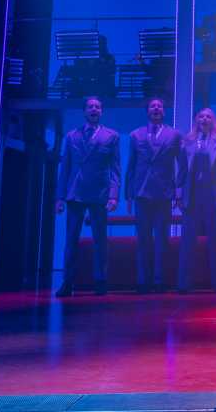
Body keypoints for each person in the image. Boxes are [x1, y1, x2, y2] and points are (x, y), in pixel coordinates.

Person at [56, 96, 121, 297]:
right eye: (90, 106)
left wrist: (113, 196)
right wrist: (60, 197)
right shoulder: (72, 136)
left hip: (99, 193)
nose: (94, 109)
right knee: (71, 240)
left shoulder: (111, 136)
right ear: (84, 111)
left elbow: (115, 169)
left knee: (100, 240)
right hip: (75, 193)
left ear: (102, 111)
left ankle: (101, 280)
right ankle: (67, 282)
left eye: (97, 107)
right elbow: (65, 168)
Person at [125, 98, 182, 294]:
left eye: (159, 106)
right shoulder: (135, 135)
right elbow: (131, 166)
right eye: (153, 106)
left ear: (164, 111)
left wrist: (179, 191)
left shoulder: (174, 135)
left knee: (162, 240)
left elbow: (182, 165)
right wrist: (128, 195)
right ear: (147, 111)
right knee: (143, 240)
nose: (156, 108)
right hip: (141, 193)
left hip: (164, 194)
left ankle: (159, 281)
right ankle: (143, 281)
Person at [177, 108, 216, 293]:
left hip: (212, 198)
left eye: (208, 116)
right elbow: (182, 171)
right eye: (201, 116)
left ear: (212, 121)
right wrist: (178, 194)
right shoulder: (187, 142)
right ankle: (184, 285)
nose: (204, 119)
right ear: (197, 120)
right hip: (192, 197)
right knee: (187, 243)